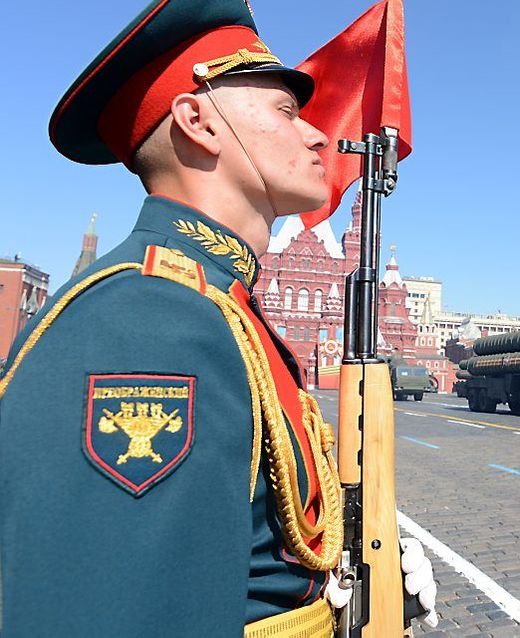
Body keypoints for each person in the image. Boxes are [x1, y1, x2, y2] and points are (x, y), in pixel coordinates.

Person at [0, 0, 437, 635]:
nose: (317, 133)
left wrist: (339, 574)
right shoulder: (146, 324)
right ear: (198, 123)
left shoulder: (217, 307)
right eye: (287, 112)